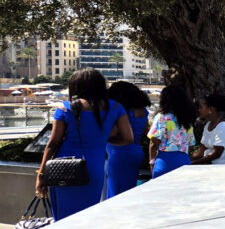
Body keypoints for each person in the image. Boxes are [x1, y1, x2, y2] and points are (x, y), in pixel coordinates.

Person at [35, 68, 133, 220]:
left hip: (61, 169)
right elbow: (128, 139)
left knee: (63, 220)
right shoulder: (115, 108)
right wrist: (102, 138)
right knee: (87, 218)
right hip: (93, 169)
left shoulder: (65, 108)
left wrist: (41, 175)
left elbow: (52, 144)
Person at [105, 80, 151, 197]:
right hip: (136, 151)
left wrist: (104, 138)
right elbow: (146, 131)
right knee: (129, 191)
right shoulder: (143, 111)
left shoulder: (122, 112)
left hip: (119, 153)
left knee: (115, 193)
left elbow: (113, 132)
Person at [148, 85, 197, 178]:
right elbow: (191, 145)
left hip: (165, 162)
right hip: (184, 161)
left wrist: (151, 162)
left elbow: (153, 143)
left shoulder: (161, 117)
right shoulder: (186, 119)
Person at [192, 93, 225, 165]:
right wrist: (186, 159)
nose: (199, 110)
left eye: (201, 107)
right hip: (212, 166)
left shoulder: (224, 127)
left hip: (224, 168)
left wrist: (192, 162)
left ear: (211, 109)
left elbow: (216, 154)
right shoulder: (207, 125)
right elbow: (201, 151)